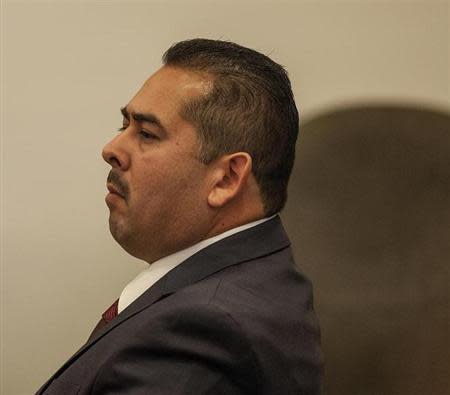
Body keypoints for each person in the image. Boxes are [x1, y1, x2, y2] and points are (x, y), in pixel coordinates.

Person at [36, 38, 323, 395]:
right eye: (122, 126)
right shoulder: (258, 276)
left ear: (227, 178)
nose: (111, 150)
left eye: (146, 134)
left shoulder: (201, 331)